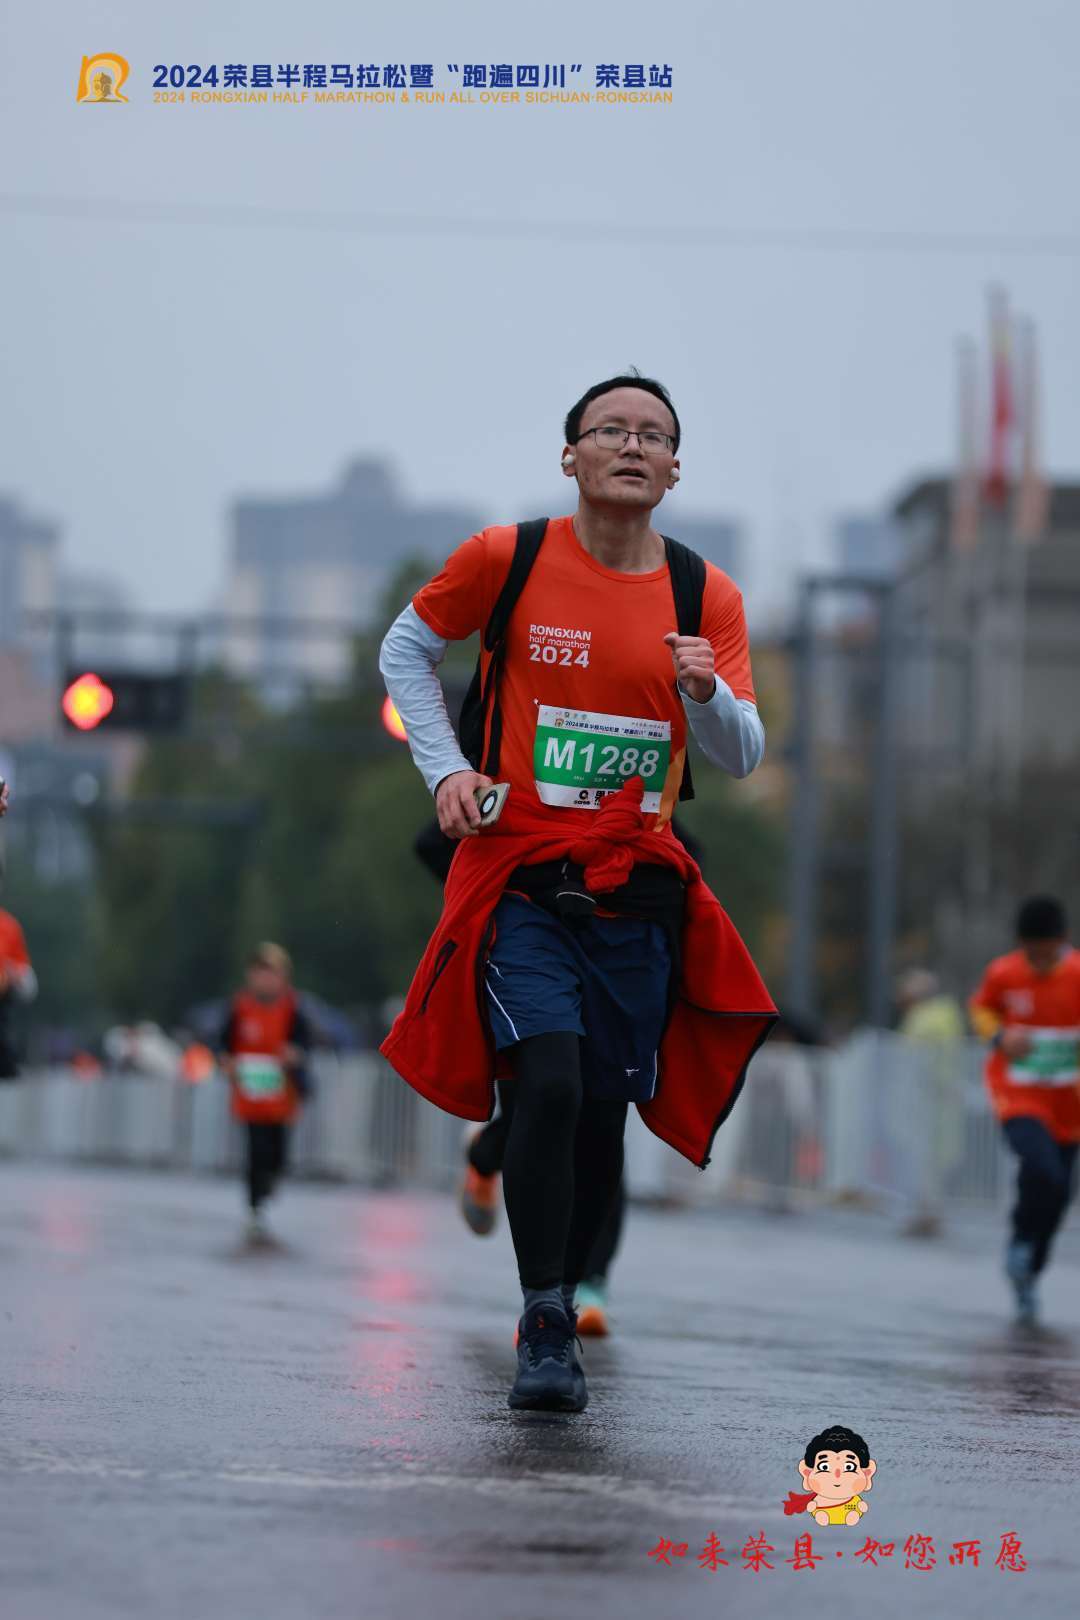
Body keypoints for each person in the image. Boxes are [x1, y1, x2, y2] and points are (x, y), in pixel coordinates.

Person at [380, 371, 775, 1411]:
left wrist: (707, 692)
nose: (632, 445)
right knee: (548, 1083)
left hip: (635, 889)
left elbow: (741, 753)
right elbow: (405, 647)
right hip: (521, 875)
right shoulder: (504, 559)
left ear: (675, 468)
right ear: (572, 455)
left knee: (602, 1110)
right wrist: (446, 771)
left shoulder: (705, 595)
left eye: (654, 435)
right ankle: (545, 1322)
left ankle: (576, 1285)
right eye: (611, 429)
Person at [418, 811, 705, 1337]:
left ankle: (589, 1284)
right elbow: (433, 841)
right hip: (527, 951)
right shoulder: (518, 781)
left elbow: (688, 860)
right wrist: (487, 884)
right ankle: (540, 1290)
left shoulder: (637, 792)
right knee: (548, 1098)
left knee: (599, 1118)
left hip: (615, 956)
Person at [969, 896, 1080, 1325]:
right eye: (1031, 952)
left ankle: (1030, 1268)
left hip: (1068, 1102)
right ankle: (1019, 1240)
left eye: (1047, 952)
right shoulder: (1003, 973)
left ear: (1063, 940)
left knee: (1060, 1192)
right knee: (1040, 1167)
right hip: (1017, 1093)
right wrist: (1000, 1037)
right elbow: (981, 1009)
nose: (1039, 960)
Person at [217, 943, 312, 1242]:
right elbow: (222, 1044)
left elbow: (304, 1045)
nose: (266, 980)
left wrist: (294, 1054)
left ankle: (269, 1184)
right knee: (255, 1150)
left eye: (272, 973)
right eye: (261, 973)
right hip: (250, 1094)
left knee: (278, 1153)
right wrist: (226, 1062)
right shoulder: (239, 1008)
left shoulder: (294, 1009)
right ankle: (254, 1206)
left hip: (281, 1097)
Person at [894, 968, 965, 1238]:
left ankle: (927, 1215)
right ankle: (926, 1213)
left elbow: (919, 1059)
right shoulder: (944, 1015)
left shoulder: (926, 1019)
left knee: (927, 1161)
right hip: (935, 1097)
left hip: (930, 1097)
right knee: (931, 1162)